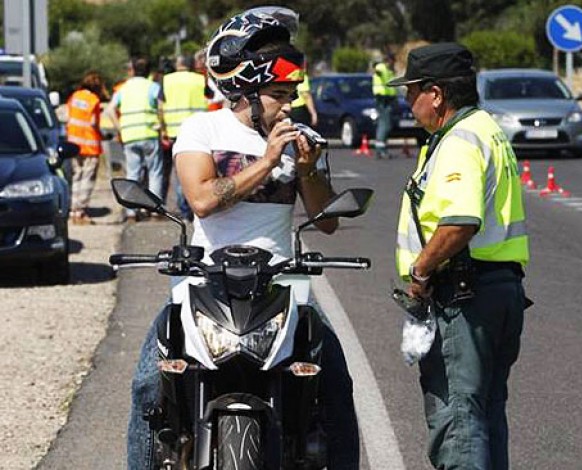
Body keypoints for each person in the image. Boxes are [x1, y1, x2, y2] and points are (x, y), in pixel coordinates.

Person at [127, 7, 360, 470]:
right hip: (203, 283)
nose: (288, 106)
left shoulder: (299, 139)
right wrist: (269, 161)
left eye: (291, 94)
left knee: (336, 384)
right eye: (279, 95)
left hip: (281, 284)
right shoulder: (203, 129)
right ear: (246, 93)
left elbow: (326, 221)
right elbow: (201, 200)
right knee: (148, 386)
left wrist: (308, 169)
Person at [388, 43, 530, 470]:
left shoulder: (459, 141)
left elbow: (460, 222)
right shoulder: (486, 128)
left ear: (435, 94)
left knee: (459, 419)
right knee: (485, 412)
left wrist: (420, 272)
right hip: (499, 288)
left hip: (465, 296)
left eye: (411, 91)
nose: (407, 102)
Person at [106, 57, 163, 220]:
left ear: (132, 70)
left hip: (129, 136)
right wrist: (160, 124)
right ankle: (154, 210)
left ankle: (131, 211)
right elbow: (160, 107)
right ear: (148, 72)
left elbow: (109, 110)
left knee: (133, 174)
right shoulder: (153, 86)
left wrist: (120, 129)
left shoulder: (123, 88)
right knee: (154, 173)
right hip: (149, 134)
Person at [159, 55, 207, 220]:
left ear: (177, 65)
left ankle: (185, 209)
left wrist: (163, 130)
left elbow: (160, 106)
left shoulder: (167, 80)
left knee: (180, 173)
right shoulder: (199, 79)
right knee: (198, 171)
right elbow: (210, 98)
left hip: (174, 132)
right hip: (198, 131)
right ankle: (194, 208)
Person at [65, 71, 107, 225]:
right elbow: (94, 123)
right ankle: (81, 211)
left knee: (76, 176)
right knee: (87, 178)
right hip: (89, 145)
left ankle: (73, 210)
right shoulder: (93, 100)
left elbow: (68, 116)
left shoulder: (74, 96)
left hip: (73, 144)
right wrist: (102, 135)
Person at [372, 54, 397, 159]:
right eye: (393, 61)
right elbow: (376, 70)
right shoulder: (381, 67)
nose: (394, 64)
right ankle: (381, 150)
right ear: (389, 60)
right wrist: (376, 69)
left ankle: (381, 148)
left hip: (388, 99)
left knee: (385, 124)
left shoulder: (389, 70)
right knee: (384, 124)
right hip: (382, 99)